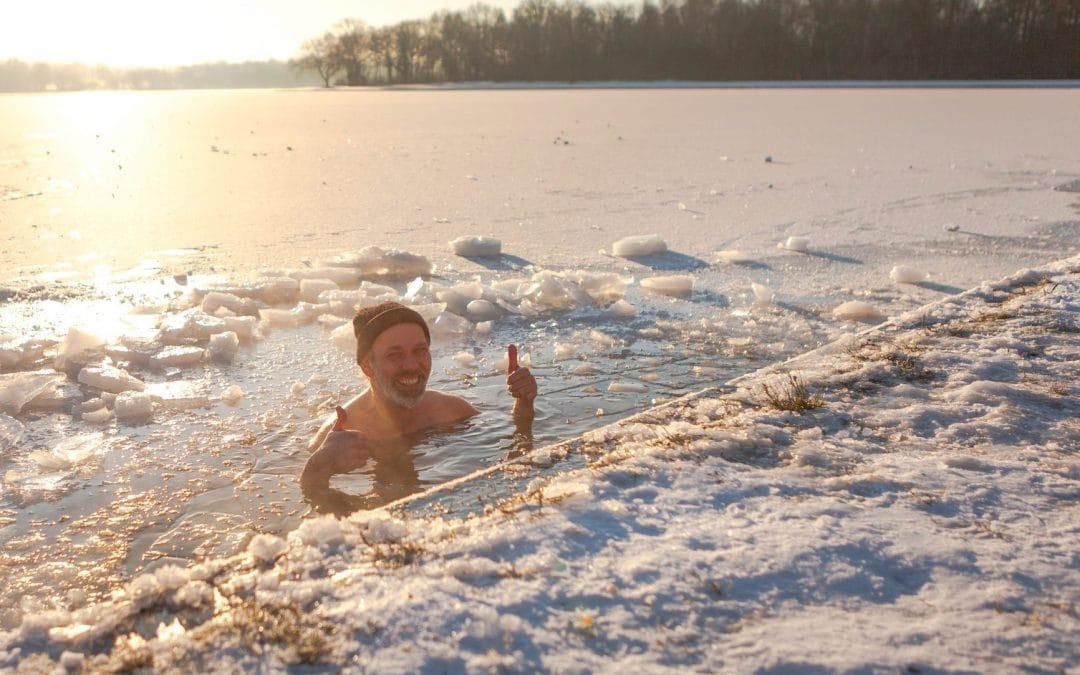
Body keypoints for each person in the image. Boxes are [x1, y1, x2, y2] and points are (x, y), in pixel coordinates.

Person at [300, 301, 537, 504]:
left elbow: (515, 439)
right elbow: (305, 495)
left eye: (420, 351)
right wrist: (318, 468)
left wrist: (524, 403)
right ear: (368, 366)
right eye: (394, 355)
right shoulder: (340, 433)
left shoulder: (448, 409)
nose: (412, 365)